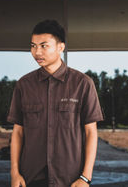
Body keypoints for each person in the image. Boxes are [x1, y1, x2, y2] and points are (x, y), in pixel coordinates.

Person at [7, 19, 104, 187]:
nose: (37, 52)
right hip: (31, 178)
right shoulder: (24, 85)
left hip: (71, 179)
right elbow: (18, 133)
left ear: (61, 47)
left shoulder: (82, 83)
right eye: (33, 46)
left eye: (44, 46)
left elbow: (91, 133)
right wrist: (14, 173)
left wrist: (85, 177)